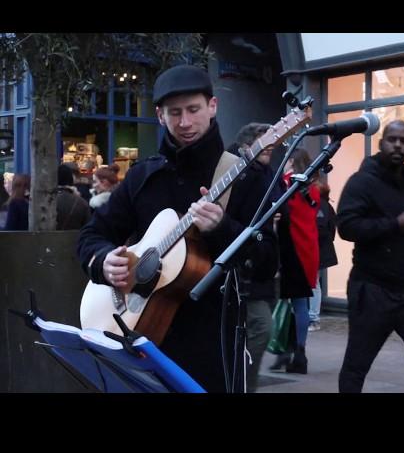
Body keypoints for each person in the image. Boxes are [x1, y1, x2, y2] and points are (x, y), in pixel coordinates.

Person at [77, 64, 279, 392]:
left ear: (213, 106)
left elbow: (268, 261)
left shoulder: (245, 176)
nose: (184, 122)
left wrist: (222, 227)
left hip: (214, 349)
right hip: (140, 340)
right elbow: (92, 236)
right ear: (159, 115)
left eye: (193, 110)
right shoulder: (144, 177)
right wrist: (102, 262)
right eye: (174, 113)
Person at [336, 120, 404, 393]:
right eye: (392, 139)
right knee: (357, 364)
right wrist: (393, 225)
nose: (397, 145)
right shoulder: (362, 182)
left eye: (403, 140)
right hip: (373, 292)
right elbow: (347, 226)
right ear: (381, 143)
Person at [228, 121, 282, 392]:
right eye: (263, 143)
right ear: (245, 147)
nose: (269, 149)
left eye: (271, 144)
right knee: (261, 328)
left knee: (258, 330)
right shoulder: (239, 173)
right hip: (243, 271)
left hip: (261, 267)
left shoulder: (267, 174)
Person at [270, 148, 320, 374]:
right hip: (308, 249)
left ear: (291, 161)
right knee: (300, 304)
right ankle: (298, 351)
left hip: (289, 249)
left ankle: (286, 351)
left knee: (282, 302)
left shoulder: (286, 184)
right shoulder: (313, 188)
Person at [308, 178, 338, 332]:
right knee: (314, 283)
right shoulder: (327, 207)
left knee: (313, 284)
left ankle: (313, 318)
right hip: (321, 250)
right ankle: (312, 317)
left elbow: (321, 229)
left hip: (315, 249)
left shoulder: (318, 206)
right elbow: (332, 230)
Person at [57, 164, 92, 230]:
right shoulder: (82, 202)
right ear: (71, 178)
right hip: (75, 239)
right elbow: (88, 228)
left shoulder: (47, 201)